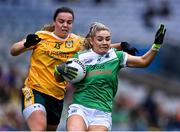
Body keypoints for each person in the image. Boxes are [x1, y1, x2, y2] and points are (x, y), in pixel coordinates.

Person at [9, 7, 138, 131]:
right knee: (39, 128)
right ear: (55, 22)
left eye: (69, 22)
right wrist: (26, 43)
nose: (65, 25)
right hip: (35, 90)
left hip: (57, 96)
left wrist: (121, 45)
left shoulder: (77, 42)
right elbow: (13, 51)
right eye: (61, 21)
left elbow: (99, 46)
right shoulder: (41, 36)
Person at [54, 22, 166, 131]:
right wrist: (59, 71)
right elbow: (59, 78)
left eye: (108, 39)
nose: (104, 42)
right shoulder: (80, 57)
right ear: (92, 41)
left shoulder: (116, 56)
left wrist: (156, 45)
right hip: (80, 108)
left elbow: (143, 61)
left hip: (102, 113)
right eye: (100, 39)